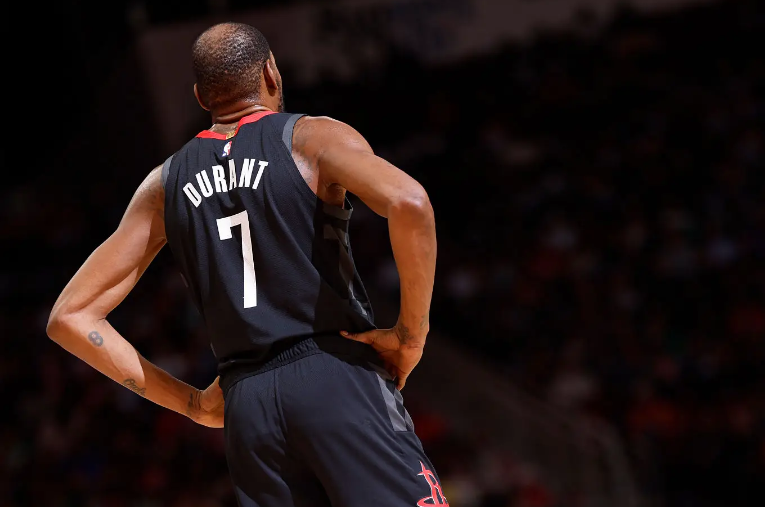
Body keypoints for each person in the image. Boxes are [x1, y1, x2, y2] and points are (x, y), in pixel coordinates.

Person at [47, 21, 443, 507]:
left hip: (248, 408)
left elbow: (69, 317)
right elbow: (410, 203)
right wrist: (409, 335)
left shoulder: (164, 184)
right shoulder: (310, 137)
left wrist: (192, 404)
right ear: (271, 72)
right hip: (334, 372)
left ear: (200, 96)